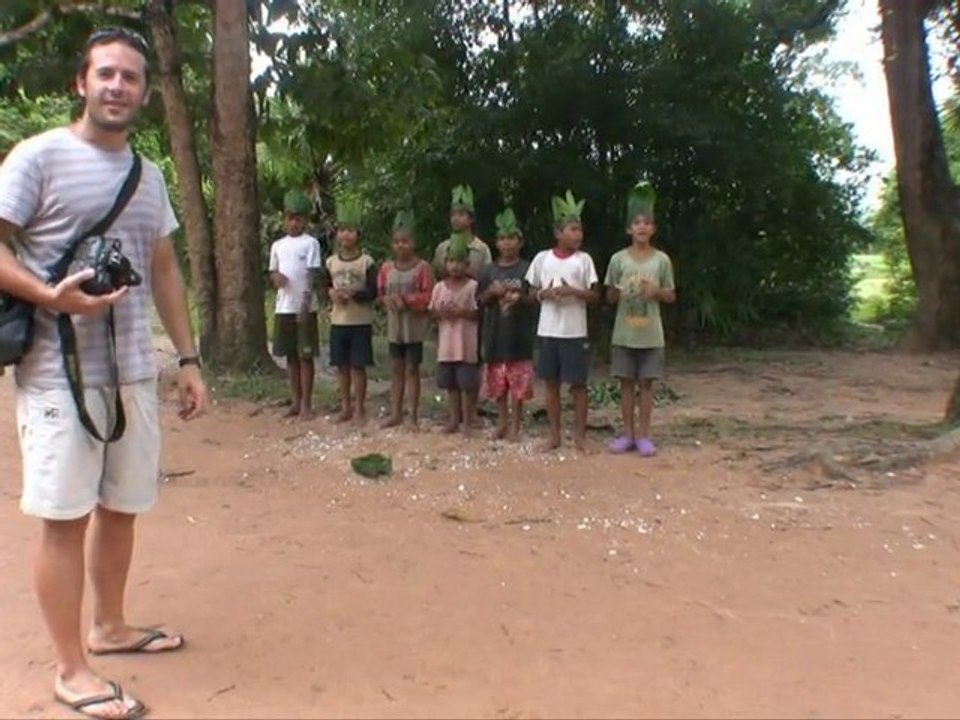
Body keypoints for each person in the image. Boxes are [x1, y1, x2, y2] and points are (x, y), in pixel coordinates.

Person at [0, 27, 207, 719]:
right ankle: (69, 670)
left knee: (122, 508)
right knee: (65, 518)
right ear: (81, 83)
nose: (118, 86)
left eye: (130, 78)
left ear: (145, 93)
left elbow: (165, 268)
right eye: (106, 74)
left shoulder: (147, 178)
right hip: (57, 373)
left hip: (131, 372)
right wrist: (47, 295)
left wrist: (188, 357)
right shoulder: (38, 157)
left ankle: (110, 626)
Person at [605, 181, 676, 456]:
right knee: (625, 385)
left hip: (651, 334)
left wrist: (655, 291)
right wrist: (616, 292)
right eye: (637, 223)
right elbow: (609, 296)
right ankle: (627, 435)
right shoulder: (617, 260)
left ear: (653, 229)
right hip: (624, 332)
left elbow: (671, 296)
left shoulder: (662, 261)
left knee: (647, 385)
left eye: (647, 223)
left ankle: (645, 436)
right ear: (629, 229)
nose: (642, 227)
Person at [526, 190, 599, 453]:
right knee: (551, 384)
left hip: (575, 331)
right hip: (548, 330)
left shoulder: (584, 260)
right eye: (572, 229)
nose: (578, 234)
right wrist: (545, 293)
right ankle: (554, 435)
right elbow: (531, 292)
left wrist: (572, 292)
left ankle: (580, 437)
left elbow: (594, 295)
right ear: (558, 233)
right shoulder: (542, 259)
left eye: (579, 230)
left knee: (578, 385)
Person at [477, 207, 536, 441]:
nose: (507, 243)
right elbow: (479, 300)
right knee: (498, 382)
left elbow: (534, 298)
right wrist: (492, 293)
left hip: (519, 336)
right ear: (496, 243)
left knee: (518, 383)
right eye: (502, 238)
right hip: (494, 334)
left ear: (520, 242)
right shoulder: (489, 270)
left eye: (511, 238)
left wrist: (518, 297)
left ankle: (516, 425)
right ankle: (501, 422)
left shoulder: (527, 268)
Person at [320, 195, 377, 426]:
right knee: (341, 367)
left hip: (360, 321)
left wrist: (354, 293)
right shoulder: (331, 262)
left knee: (358, 367)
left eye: (351, 231)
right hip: (338, 322)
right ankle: (345, 406)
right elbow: (324, 285)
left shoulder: (367, 262)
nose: (346, 235)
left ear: (358, 235)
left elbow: (374, 291)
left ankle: (361, 408)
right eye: (342, 230)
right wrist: (332, 294)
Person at [268, 190, 322, 420]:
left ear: (305, 221)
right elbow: (273, 272)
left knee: (305, 356)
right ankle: (295, 400)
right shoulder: (277, 245)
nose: (293, 223)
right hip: (284, 307)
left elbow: (312, 274)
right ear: (284, 219)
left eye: (298, 218)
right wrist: (276, 279)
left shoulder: (311, 243)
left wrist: (305, 303)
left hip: (304, 308)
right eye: (290, 218)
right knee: (290, 356)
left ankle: (308, 403)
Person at [378, 210, 434, 429]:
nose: (401, 245)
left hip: (414, 329)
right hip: (395, 329)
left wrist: (408, 301)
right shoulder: (386, 269)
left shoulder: (423, 268)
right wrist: (387, 300)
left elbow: (429, 295)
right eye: (397, 242)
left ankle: (413, 415)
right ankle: (395, 412)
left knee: (412, 370)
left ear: (413, 243)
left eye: (406, 241)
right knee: (395, 368)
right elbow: (381, 293)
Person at [429, 236, 481, 436]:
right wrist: (441, 313)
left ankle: (468, 421)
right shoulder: (439, 287)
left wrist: (461, 312)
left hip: (466, 344)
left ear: (467, 265)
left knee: (467, 385)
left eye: (459, 262)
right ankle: (453, 420)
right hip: (446, 346)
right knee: (451, 386)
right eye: (451, 261)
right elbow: (432, 312)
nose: (455, 266)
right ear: (445, 264)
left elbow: (478, 313)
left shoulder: (473, 287)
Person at [432, 184, 492, 278]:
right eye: (453, 215)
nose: (456, 219)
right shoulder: (443, 248)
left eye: (461, 214)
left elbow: (487, 277)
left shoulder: (481, 249)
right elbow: (436, 275)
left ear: (471, 218)